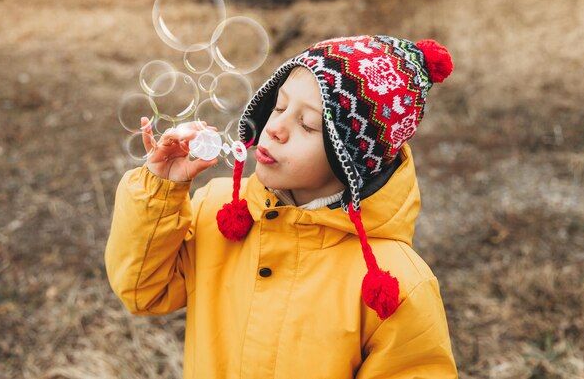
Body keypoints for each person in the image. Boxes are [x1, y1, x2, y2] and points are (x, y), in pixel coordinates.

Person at [105, 34, 458, 378]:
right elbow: (143, 292)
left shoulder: (395, 282)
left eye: (307, 124)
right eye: (279, 105)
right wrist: (161, 190)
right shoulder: (219, 210)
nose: (275, 128)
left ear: (350, 160)